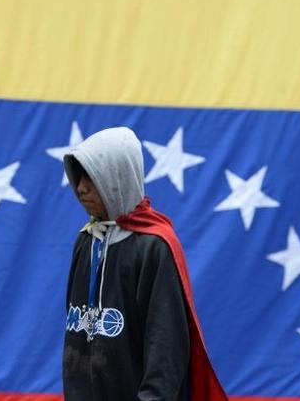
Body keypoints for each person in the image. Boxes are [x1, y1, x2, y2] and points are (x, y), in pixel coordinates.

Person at [62, 127, 227, 400]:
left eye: (91, 176)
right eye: (78, 176)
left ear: (118, 176)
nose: (80, 187)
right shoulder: (86, 242)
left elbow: (166, 345)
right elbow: (77, 329)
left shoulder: (153, 246)